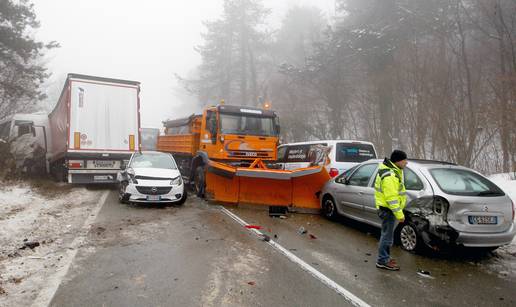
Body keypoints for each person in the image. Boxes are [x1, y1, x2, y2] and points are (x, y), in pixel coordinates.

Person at [374, 149, 408, 271]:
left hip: (387, 209)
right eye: (404, 160)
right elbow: (391, 198)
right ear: (398, 161)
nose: (406, 163)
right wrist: (399, 214)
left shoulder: (392, 170)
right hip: (388, 210)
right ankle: (382, 261)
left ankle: (385, 258)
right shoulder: (390, 175)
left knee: (387, 236)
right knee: (387, 237)